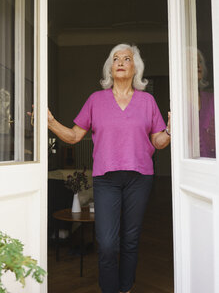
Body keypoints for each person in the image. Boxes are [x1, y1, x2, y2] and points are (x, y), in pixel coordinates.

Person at [47, 43, 171, 293]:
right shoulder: (96, 100)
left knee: (130, 239)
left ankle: (125, 288)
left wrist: (170, 130)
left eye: (127, 58)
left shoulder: (147, 101)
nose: (122, 62)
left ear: (136, 67)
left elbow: (158, 142)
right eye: (116, 59)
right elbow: (73, 136)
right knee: (106, 243)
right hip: (106, 179)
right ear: (110, 68)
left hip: (140, 178)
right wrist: (49, 122)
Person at [197, 49, 215, 158]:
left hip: (212, 163)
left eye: (199, 62)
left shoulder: (211, 99)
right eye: (192, 61)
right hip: (189, 166)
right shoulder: (180, 101)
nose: (197, 66)